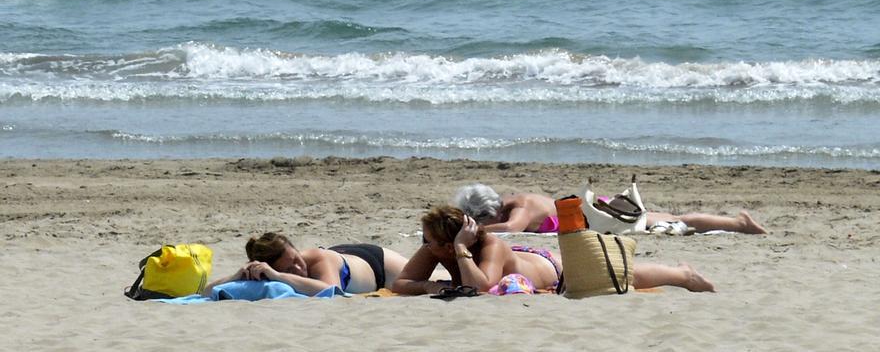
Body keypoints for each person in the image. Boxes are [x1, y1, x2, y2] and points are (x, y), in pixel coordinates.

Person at [391, 206, 715, 295]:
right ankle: (681, 272)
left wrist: (462, 249)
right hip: (524, 260)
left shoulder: (489, 245)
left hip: (554, 272)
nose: (424, 245)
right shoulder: (435, 246)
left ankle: (683, 274)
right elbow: (400, 284)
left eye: (429, 241)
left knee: (626, 276)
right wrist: (427, 285)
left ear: (450, 244)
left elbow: (482, 287)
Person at [453, 183, 767, 235]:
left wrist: (473, 231)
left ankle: (739, 223)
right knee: (668, 218)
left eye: (482, 220)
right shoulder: (510, 204)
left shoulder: (521, 206)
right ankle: (737, 223)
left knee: (674, 219)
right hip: (595, 210)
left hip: (601, 215)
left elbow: (511, 230)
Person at [204, 232, 408, 296]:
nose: (299, 269)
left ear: (295, 249)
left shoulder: (319, 259)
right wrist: (236, 275)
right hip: (350, 258)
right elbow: (207, 292)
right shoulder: (264, 268)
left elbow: (331, 289)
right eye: (289, 268)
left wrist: (280, 276)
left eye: (296, 259)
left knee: (430, 277)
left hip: (377, 263)